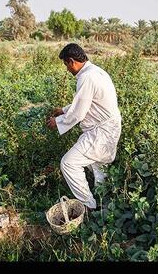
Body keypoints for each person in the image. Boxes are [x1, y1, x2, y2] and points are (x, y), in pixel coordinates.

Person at [46, 43, 122, 211]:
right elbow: (86, 101)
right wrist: (63, 110)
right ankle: (105, 203)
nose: (67, 69)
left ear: (72, 61)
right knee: (99, 165)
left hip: (100, 132)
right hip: (109, 127)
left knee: (68, 163)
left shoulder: (86, 77)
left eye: (66, 64)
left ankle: (89, 206)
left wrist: (57, 122)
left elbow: (79, 112)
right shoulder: (96, 71)